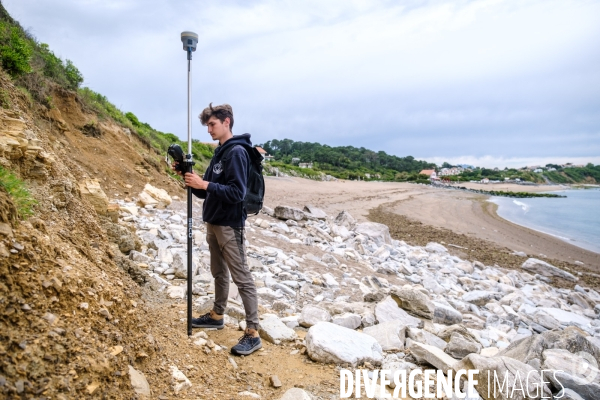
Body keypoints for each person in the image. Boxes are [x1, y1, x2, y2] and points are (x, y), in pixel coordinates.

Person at [174, 103, 261, 356]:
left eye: (212, 124)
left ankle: (253, 333)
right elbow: (206, 191)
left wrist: (205, 183)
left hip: (229, 224)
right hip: (213, 221)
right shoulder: (220, 152)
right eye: (207, 125)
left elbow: (237, 193)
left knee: (241, 276)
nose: (209, 130)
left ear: (227, 122)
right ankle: (217, 315)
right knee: (218, 272)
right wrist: (190, 179)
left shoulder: (236, 152)